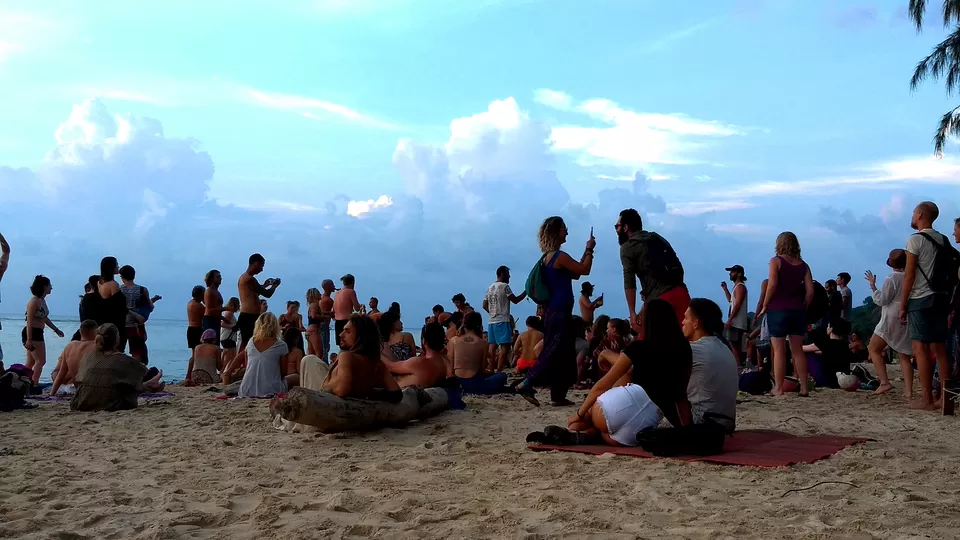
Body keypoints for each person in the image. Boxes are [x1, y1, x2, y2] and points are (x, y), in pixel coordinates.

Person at [562, 299, 692, 446]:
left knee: (586, 418)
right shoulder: (684, 350)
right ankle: (588, 435)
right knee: (604, 434)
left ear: (647, 320)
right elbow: (681, 397)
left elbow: (603, 384)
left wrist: (579, 414)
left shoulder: (638, 348)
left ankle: (578, 431)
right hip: (638, 428)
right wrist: (686, 429)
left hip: (615, 408)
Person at [515, 216, 594, 407]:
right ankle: (527, 382)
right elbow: (585, 270)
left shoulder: (549, 258)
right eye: (563, 229)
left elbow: (575, 272)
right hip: (559, 310)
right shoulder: (559, 256)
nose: (566, 232)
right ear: (556, 232)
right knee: (554, 349)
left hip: (555, 310)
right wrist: (590, 249)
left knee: (565, 353)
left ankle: (558, 395)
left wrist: (585, 252)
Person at [900, 201, 955, 411]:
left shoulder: (915, 240)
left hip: (921, 298)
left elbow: (910, 275)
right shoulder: (943, 239)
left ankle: (927, 400)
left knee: (920, 349)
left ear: (921, 214)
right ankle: (945, 397)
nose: (912, 215)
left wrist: (903, 304)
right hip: (941, 299)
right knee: (940, 349)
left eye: (914, 212)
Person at [759, 232, 814, 397]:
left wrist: (765, 304)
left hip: (778, 309)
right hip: (797, 310)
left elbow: (773, 284)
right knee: (797, 350)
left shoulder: (776, 261)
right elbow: (810, 292)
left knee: (779, 351)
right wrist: (804, 305)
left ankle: (779, 388)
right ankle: (804, 387)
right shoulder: (803, 265)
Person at [617, 208, 688, 327]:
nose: (616, 230)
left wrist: (632, 313)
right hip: (681, 293)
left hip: (660, 302)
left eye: (617, 226)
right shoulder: (657, 238)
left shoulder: (628, 247)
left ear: (625, 228)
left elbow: (629, 281)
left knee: (650, 342)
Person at [682, 298, 739, 430]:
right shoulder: (724, 348)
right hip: (727, 423)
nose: (682, 322)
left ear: (696, 323)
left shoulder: (693, 350)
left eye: (686, 318)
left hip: (703, 424)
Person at [71, 324, 152, 412]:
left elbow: (78, 380)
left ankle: (148, 385)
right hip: (111, 404)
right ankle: (149, 385)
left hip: (81, 403)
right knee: (129, 385)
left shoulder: (87, 357)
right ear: (116, 339)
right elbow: (143, 372)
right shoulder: (124, 360)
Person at [321, 314, 402, 401]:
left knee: (309, 359)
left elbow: (342, 391)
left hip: (327, 402)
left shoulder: (346, 356)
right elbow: (396, 394)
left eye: (347, 331)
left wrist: (329, 384)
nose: (341, 335)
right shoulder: (377, 364)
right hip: (359, 403)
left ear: (361, 336)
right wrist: (369, 393)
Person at [238, 312, 299, 397]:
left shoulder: (251, 342)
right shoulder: (281, 345)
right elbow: (283, 372)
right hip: (271, 390)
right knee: (296, 377)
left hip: (246, 390)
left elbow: (247, 365)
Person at [483, 265, 528, 372]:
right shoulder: (504, 287)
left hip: (491, 321)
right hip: (502, 319)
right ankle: (499, 369)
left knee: (492, 346)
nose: (509, 277)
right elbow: (515, 300)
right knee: (505, 346)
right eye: (508, 274)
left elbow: (484, 305)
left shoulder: (490, 288)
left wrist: (492, 312)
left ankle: (490, 368)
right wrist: (526, 292)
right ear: (502, 274)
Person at [452, 312, 509, 394]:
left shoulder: (454, 341)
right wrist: (489, 373)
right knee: (502, 376)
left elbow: (451, 367)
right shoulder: (482, 343)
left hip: (457, 382)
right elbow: (481, 370)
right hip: (474, 385)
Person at [22, 275, 65, 384]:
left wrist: (56, 330)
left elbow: (44, 318)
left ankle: (24, 382)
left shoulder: (42, 301)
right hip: (32, 332)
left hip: (38, 332)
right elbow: (29, 321)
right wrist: (29, 339)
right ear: (44, 286)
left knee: (31, 362)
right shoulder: (34, 301)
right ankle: (34, 383)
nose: (51, 288)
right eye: (49, 285)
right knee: (41, 361)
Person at [382, 321, 448, 388]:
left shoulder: (419, 363)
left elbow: (389, 366)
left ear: (424, 341)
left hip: (406, 395)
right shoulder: (445, 361)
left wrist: (377, 351)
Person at [237, 253, 281, 350]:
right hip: (249, 317)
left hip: (249, 316)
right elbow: (267, 294)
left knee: (250, 346)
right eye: (262, 266)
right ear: (256, 264)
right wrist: (274, 286)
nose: (262, 269)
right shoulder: (249, 279)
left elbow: (253, 294)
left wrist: (265, 285)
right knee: (250, 347)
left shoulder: (244, 278)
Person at [49, 320, 99, 396]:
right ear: (96, 332)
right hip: (92, 390)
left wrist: (51, 393)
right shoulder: (97, 346)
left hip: (78, 390)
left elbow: (61, 375)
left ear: (80, 331)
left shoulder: (70, 346)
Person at [119, 265, 152, 363]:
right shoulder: (142, 290)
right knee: (136, 353)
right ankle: (136, 376)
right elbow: (149, 307)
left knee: (119, 351)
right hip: (136, 325)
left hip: (122, 324)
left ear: (122, 277)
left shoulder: (119, 290)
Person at [98, 257, 129, 353]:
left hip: (104, 321)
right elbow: (120, 306)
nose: (118, 267)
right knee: (117, 350)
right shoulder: (113, 285)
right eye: (116, 265)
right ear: (111, 267)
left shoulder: (99, 283)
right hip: (117, 322)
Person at [721, 265, 749, 366]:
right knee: (734, 345)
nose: (730, 274)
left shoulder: (740, 287)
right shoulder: (736, 287)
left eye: (732, 272)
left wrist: (730, 319)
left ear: (739, 274)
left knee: (735, 345)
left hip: (737, 322)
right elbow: (731, 301)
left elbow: (738, 304)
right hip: (735, 322)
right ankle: (738, 365)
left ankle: (738, 366)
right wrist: (725, 289)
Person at [334, 274, 363, 349]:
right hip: (346, 322)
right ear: (353, 282)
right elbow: (357, 308)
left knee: (341, 345)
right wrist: (361, 307)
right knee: (351, 345)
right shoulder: (351, 291)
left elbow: (334, 309)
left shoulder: (337, 293)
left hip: (337, 322)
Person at [186, 285, 205, 362]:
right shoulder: (198, 306)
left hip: (191, 329)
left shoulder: (190, 303)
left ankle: (190, 372)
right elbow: (208, 313)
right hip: (196, 330)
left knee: (194, 353)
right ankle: (191, 372)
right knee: (197, 354)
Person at [318, 279, 336, 361]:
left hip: (321, 326)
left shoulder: (321, 297)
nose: (334, 286)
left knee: (323, 347)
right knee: (325, 347)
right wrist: (332, 313)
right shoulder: (328, 300)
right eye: (332, 285)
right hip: (324, 325)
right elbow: (322, 313)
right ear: (328, 287)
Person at [202, 269, 223, 334]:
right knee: (210, 342)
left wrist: (223, 318)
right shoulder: (209, 291)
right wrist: (226, 308)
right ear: (212, 279)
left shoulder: (216, 291)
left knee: (216, 343)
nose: (220, 278)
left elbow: (216, 309)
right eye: (218, 277)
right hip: (210, 320)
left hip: (216, 320)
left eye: (220, 276)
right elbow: (209, 310)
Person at [305, 288, 323, 357]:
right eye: (318, 293)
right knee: (319, 354)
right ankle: (318, 367)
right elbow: (313, 316)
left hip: (309, 331)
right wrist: (324, 317)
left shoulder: (311, 305)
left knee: (311, 354)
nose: (320, 294)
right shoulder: (315, 304)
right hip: (314, 331)